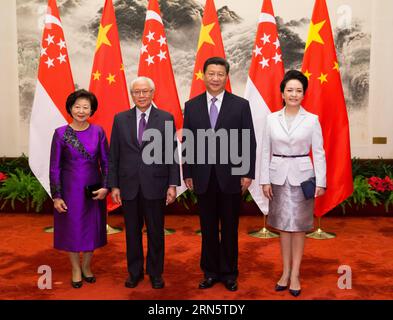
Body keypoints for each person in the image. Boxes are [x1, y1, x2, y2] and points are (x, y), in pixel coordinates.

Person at [182, 57, 256, 292]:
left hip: (232, 176)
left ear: (227, 77)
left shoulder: (240, 105)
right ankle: (210, 272)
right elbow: (188, 143)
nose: (215, 78)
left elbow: (248, 141)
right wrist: (188, 172)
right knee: (208, 228)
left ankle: (229, 273)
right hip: (203, 177)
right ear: (203, 76)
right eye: (211, 74)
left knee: (231, 227)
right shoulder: (192, 105)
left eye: (220, 74)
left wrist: (247, 172)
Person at [108, 77, 180, 289]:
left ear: (152, 93)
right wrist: (114, 185)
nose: (141, 96)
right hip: (128, 186)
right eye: (137, 92)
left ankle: (155, 273)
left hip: (156, 185)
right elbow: (114, 155)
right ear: (132, 95)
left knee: (156, 233)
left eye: (145, 91)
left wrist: (172, 185)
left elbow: (172, 154)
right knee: (132, 233)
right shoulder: (120, 119)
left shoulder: (165, 118)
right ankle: (135, 272)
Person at [260, 70, 327, 297]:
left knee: (298, 228)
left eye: (299, 91)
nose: (294, 94)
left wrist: (321, 181)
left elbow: (318, 152)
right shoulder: (271, 118)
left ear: (304, 94)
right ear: (282, 93)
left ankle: (296, 274)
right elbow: (265, 151)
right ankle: (285, 272)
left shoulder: (311, 120)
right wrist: (264, 180)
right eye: (290, 90)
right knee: (283, 227)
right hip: (277, 176)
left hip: (302, 178)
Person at [49, 89, 109, 289]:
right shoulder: (60, 134)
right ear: (70, 108)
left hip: (94, 190)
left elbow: (106, 163)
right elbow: (54, 167)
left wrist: (106, 187)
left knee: (92, 229)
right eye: (77, 107)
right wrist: (57, 196)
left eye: (86, 107)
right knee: (73, 230)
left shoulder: (98, 132)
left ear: (92, 110)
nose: (81, 111)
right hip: (70, 190)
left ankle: (86, 266)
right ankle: (75, 268)